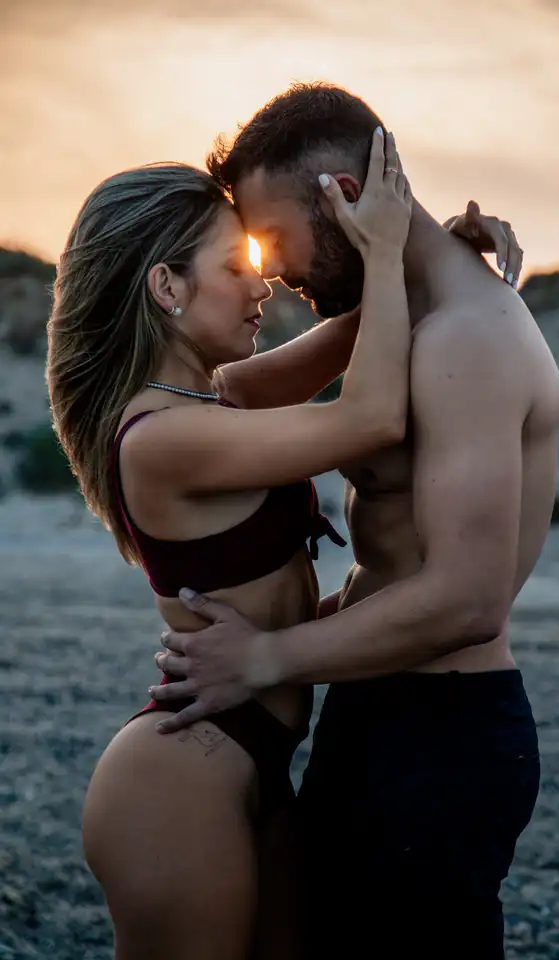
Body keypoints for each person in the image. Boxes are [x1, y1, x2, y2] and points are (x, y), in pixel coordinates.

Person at [152, 83, 559, 960]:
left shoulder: (466, 341)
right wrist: (404, 267)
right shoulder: (406, 320)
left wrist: (261, 657)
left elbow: (466, 601)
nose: (274, 271)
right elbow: (226, 397)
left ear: (344, 195)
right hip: (383, 710)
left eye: (278, 237)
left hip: (442, 735)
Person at [47, 135, 416, 960]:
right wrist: (389, 251)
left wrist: (433, 252)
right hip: (178, 783)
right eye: (236, 266)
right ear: (167, 287)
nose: (265, 284)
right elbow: (372, 417)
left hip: (254, 765)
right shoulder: (160, 439)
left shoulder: (217, 398)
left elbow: (362, 334)